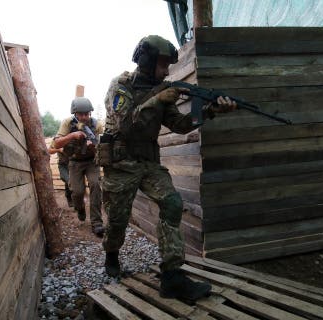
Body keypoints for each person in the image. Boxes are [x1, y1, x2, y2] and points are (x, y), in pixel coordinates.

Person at [97, 35, 237, 303]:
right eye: (162, 64)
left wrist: (208, 111)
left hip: (149, 162)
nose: (167, 71)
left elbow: (181, 125)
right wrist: (157, 99)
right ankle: (111, 254)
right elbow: (125, 125)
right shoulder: (121, 86)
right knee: (117, 220)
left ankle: (172, 276)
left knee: (172, 203)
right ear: (147, 61)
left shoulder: (163, 89)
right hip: (120, 163)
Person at [52, 97, 105, 237]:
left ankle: (97, 223)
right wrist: (73, 135)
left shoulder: (97, 125)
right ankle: (80, 209)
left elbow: (103, 147)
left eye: (87, 114)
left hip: (91, 162)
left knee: (95, 186)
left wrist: (94, 146)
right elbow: (56, 144)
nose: (84, 117)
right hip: (74, 162)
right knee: (77, 192)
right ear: (75, 114)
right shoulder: (67, 123)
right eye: (81, 114)